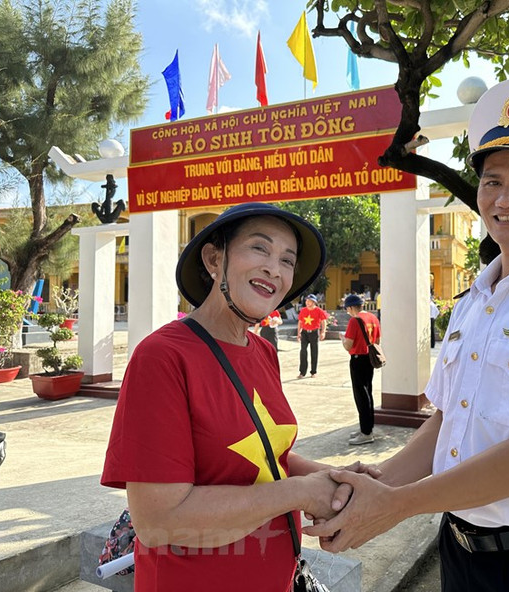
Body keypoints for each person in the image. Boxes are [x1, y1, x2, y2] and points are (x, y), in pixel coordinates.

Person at [306, 77, 509, 592]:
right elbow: (446, 419)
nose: (506, 198)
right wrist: (381, 480)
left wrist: (396, 506)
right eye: (492, 181)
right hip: (458, 552)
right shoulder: (473, 300)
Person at [101, 203, 374, 591]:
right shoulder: (162, 356)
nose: (274, 269)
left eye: (287, 259)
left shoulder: (263, 351)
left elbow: (266, 454)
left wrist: (333, 477)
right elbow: (158, 519)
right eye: (259, 249)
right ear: (215, 258)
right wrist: (297, 493)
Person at [340, 294, 381, 445]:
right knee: (367, 393)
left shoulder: (354, 320)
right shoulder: (373, 318)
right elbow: (376, 341)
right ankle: (367, 428)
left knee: (361, 396)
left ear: (351, 307)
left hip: (358, 359)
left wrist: (342, 339)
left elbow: (348, 345)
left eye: (347, 309)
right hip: (369, 359)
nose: (347, 312)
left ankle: (366, 433)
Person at [297, 294, 328, 378]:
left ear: (314, 302)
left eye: (309, 301)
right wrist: (298, 333)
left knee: (314, 352)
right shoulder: (303, 310)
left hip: (314, 332)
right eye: (306, 301)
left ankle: (313, 372)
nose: (307, 302)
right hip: (304, 332)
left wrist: (323, 332)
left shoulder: (319, 311)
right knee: (303, 351)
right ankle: (302, 372)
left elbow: (323, 322)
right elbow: (300, 322)